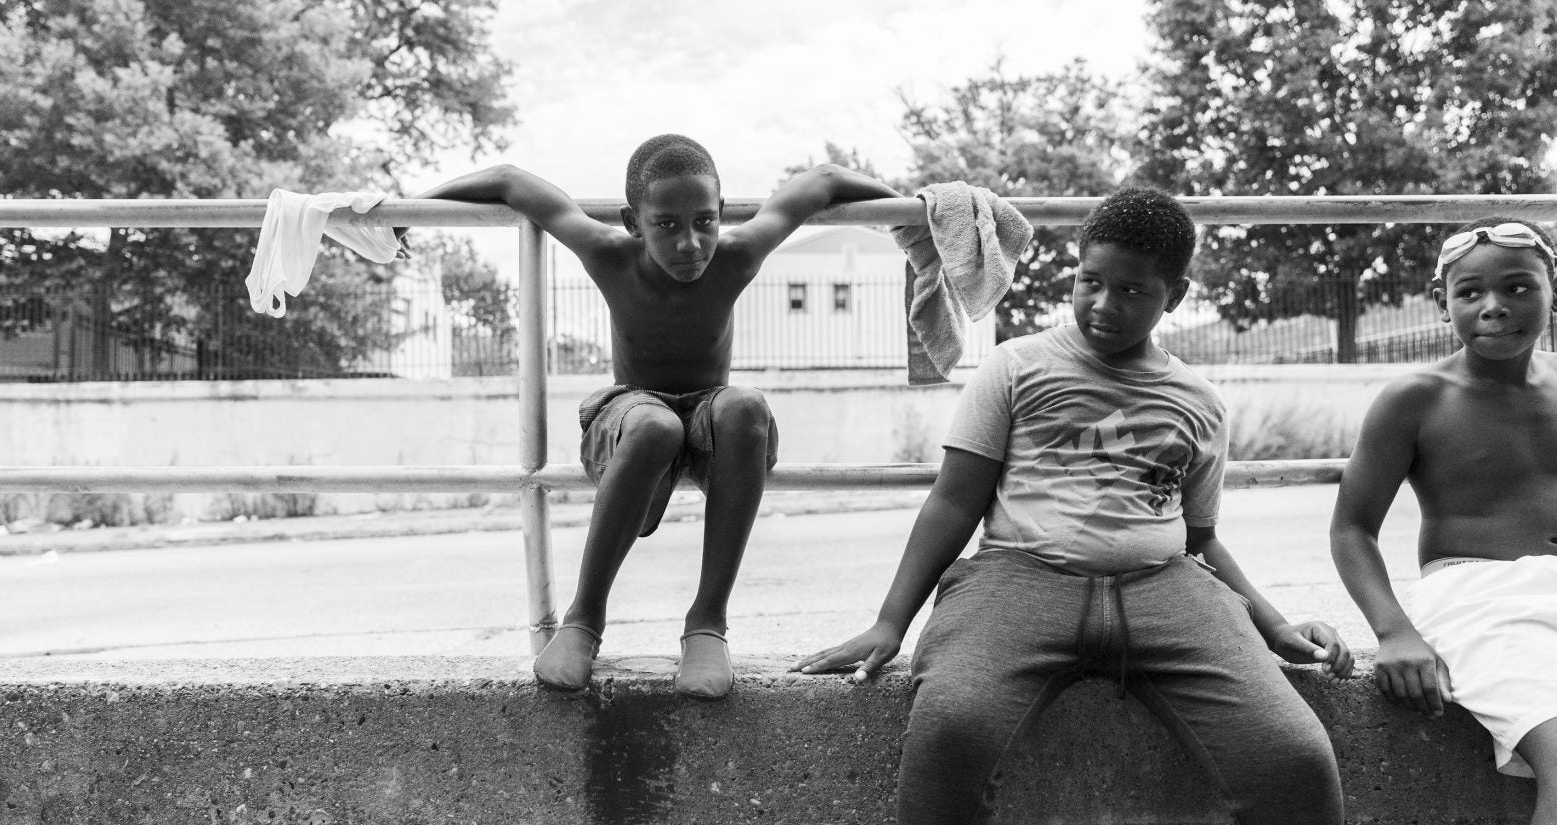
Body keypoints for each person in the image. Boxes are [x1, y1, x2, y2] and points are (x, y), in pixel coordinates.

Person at [793, 188, 1352, 825]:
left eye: (1133, 292)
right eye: (1090, 281)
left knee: (1295, 758)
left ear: (1176, 295)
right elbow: (953, 502)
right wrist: (890, 623)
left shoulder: (1199, 402)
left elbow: (1200, 537)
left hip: (1167, 591)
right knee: (950, 729)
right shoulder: (1016, 366)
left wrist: (1274, 625)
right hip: (1015, 582)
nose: (1103, 305)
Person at [422, 135, 902, 699]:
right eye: (666, 225)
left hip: (708, 426)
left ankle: (707, 625)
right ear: (633, 223)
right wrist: (410, 209)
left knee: (744, 406)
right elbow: (507, 179)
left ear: (721, 214)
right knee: (656, 426)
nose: (690, 242)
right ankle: (584, 620)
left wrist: (910, 215)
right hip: (629, 420)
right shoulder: (607, 252)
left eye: (704, 221)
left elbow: (822, 180)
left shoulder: (739, 252)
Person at [1330, 217, 1557, 822]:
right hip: (1478, 599)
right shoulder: (1417, 398)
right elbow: (1351, 529)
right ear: (1441, 303)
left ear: (1551, 289)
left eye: (1517, 288)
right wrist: (1395, 632)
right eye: (1471, 293)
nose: (1494, 307)